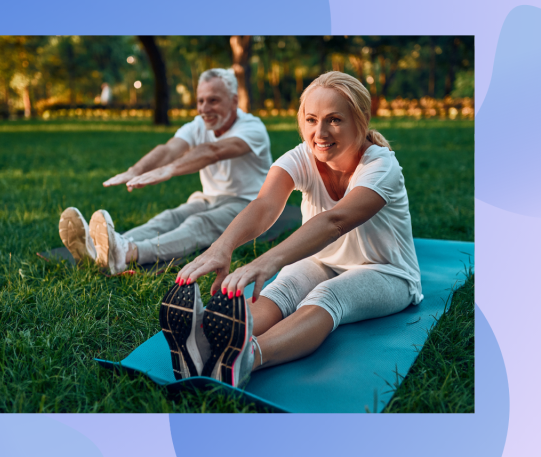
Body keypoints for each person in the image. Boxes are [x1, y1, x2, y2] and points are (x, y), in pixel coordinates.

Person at [162, 71, 423, 387]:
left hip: (387, 272)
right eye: (311, 120)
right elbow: (264, 206)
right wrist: (223, 247)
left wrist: (266, 261)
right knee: (281, 288)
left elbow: (334, 221)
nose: (320, 132)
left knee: (328, 295)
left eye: (334, 120)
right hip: (322, 261)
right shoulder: (303, 156)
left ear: (361, 118)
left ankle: (247, 358)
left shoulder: (381, 167)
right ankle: (207, 345)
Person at [59, 68, 272, 275]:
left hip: (249, 203)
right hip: (209, 198)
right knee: (167, 218)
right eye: (200, 101)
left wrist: (170, 170)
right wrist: (135, 170)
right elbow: (169, 149)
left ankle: (128, 254)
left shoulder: (253, 129)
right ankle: (100, 248)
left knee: (199, 223)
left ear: (234, 101)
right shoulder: (199, 124)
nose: (204, 108)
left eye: (213, 100)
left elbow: (213, 151)